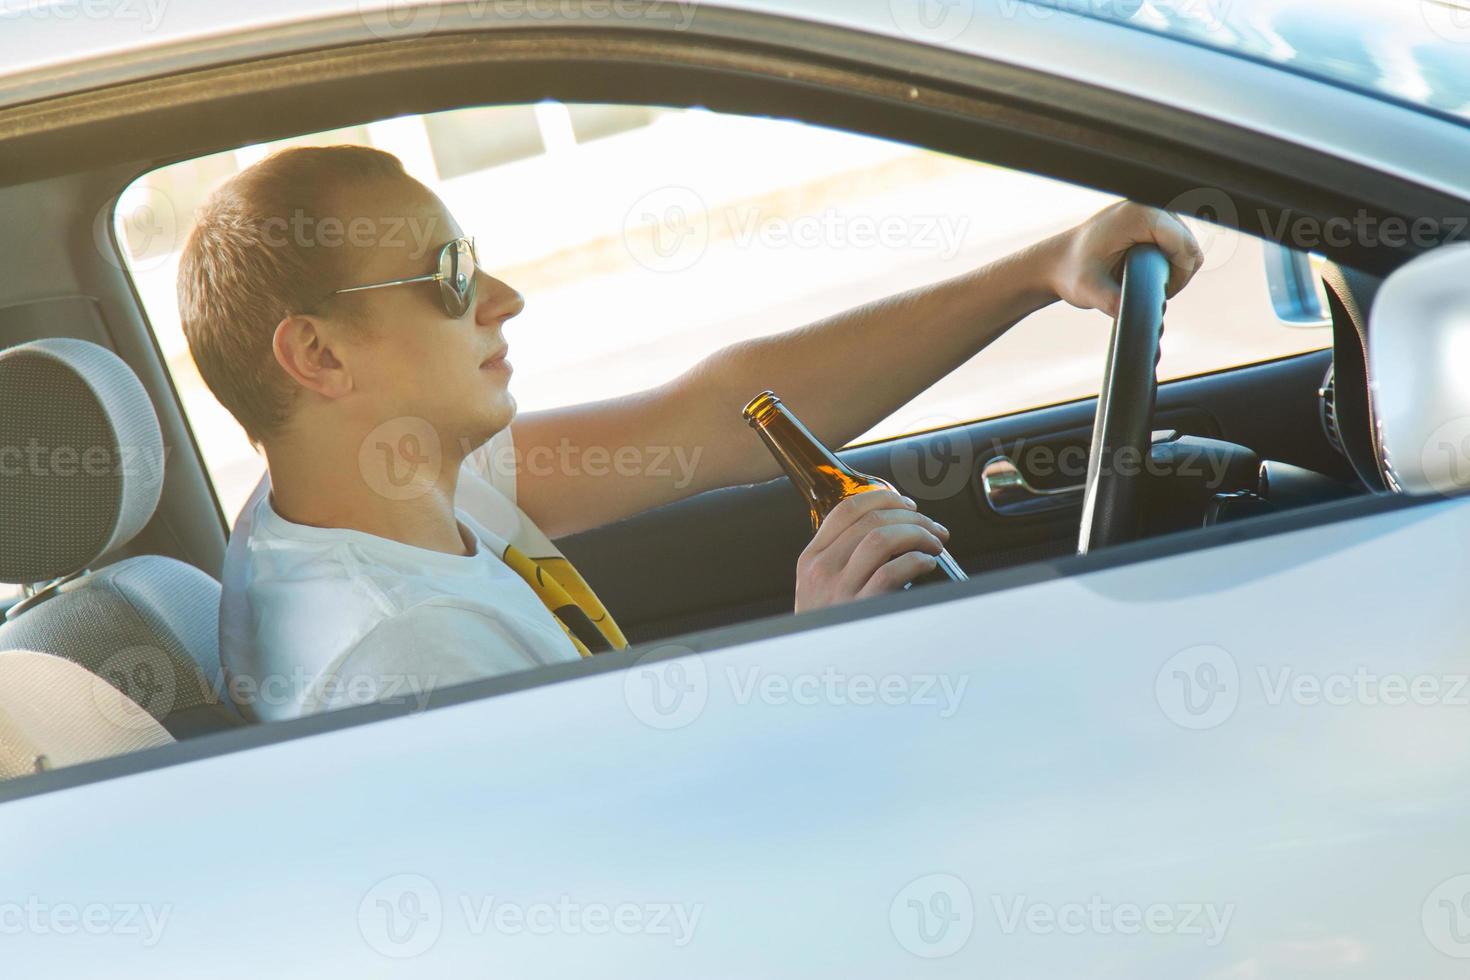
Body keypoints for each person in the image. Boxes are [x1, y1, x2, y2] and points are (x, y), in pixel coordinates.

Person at [178, 145, 1201, 720]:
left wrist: (1038, 270)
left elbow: (720, 416)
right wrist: (818, 657)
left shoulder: (357, 487)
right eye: (448, 277)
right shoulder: (404, 654)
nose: (504, 295)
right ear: (317, 356)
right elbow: (635, 899)